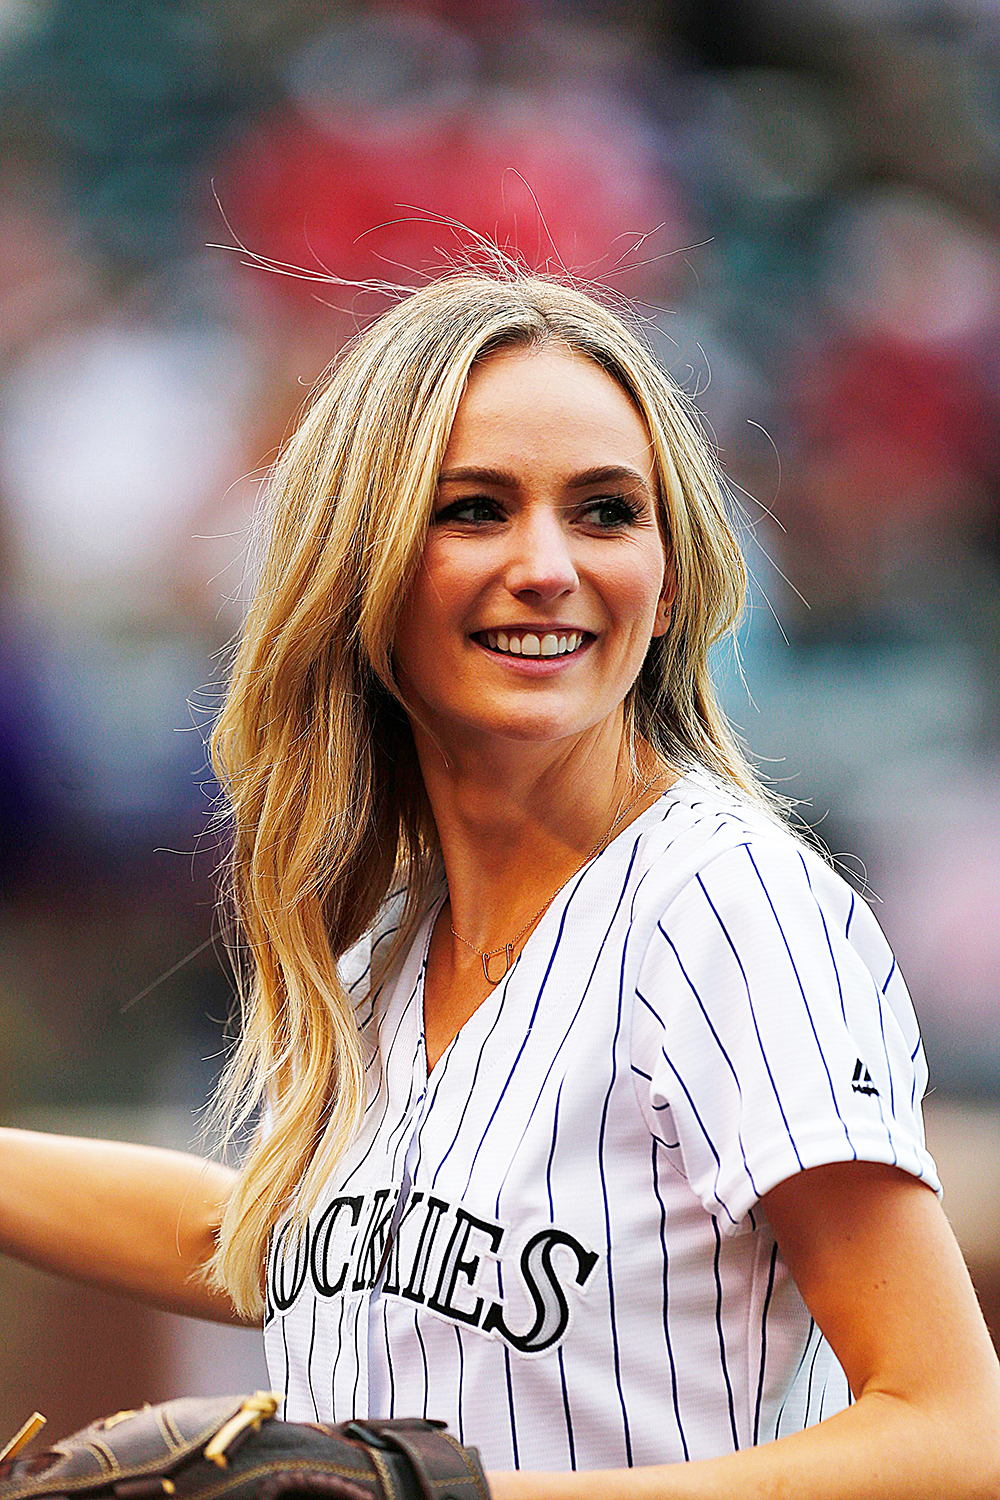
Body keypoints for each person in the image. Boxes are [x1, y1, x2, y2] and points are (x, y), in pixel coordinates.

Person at [1, 272, 999, 1500]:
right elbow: (284, 1239)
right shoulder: (386, 940)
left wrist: (432, 1497)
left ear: (669, 575)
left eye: (604, 512)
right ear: (357, 560)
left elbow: (953, 1434)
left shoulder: (729, 908)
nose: (546, 565)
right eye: (473, 509)